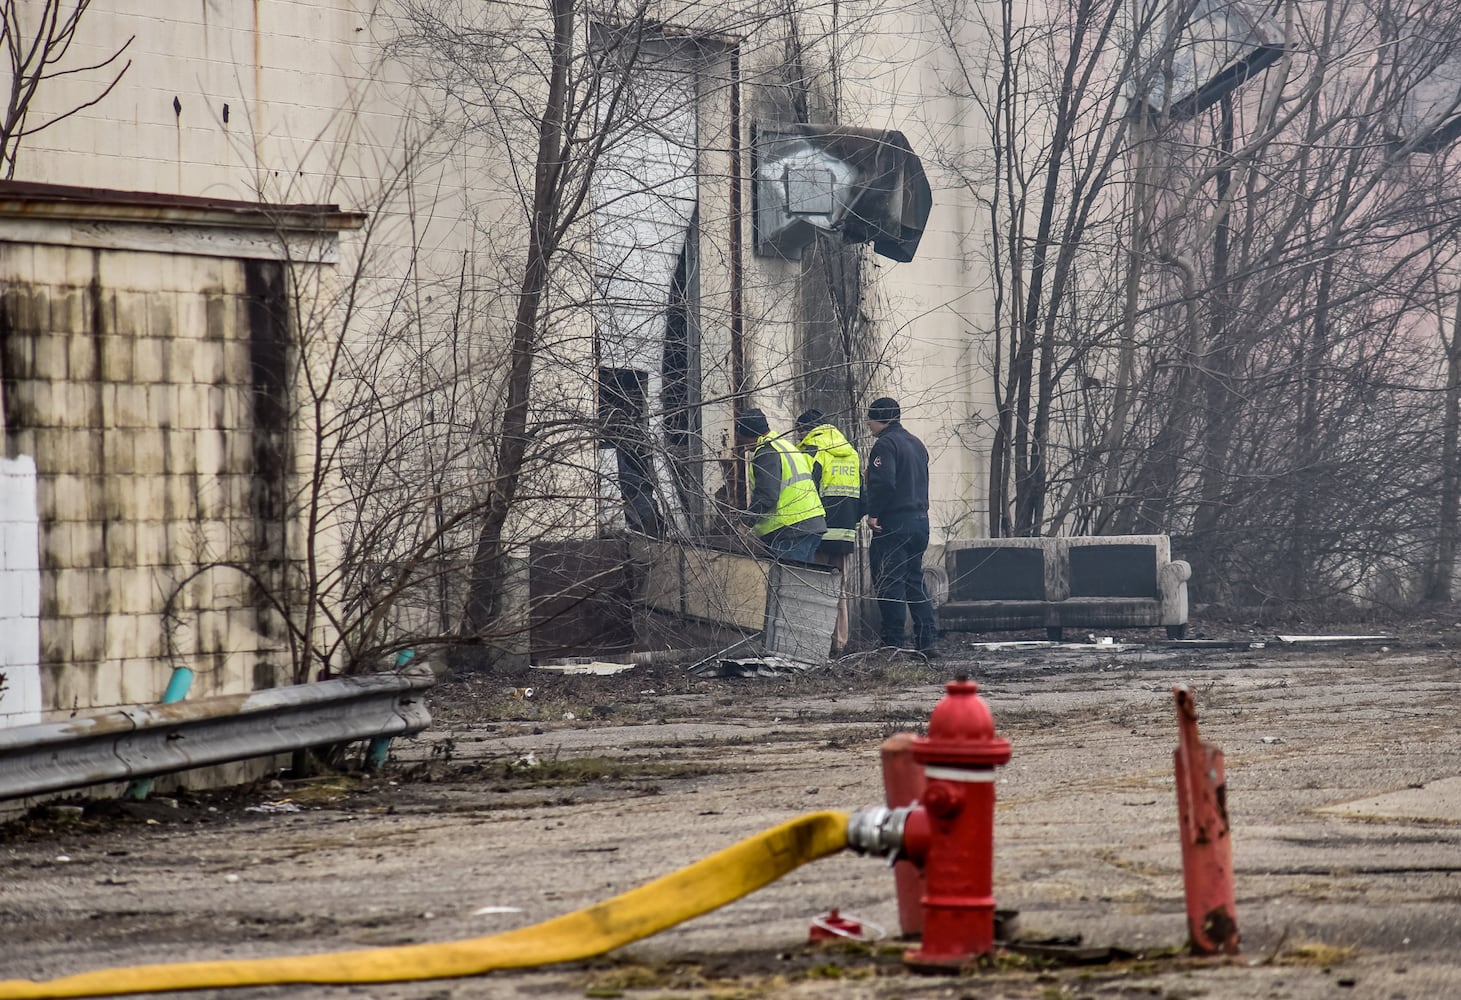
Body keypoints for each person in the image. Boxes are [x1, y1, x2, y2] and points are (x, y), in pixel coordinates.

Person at [864, 396, 938, 654]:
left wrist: (873, 513)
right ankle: (927, 641)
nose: (868, 425)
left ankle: (892, 643)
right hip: (920, 522)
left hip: (894, 523)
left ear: (879, 418)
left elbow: (884, 483)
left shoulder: (886, 444)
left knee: (889, 582)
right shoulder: (916, 443)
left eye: (870, 419)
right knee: (914, 581)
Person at [795, 409, 862, 654]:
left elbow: (805, 491)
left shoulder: (811, 451)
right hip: (844, 534)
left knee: (814, 589)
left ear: (804, 429)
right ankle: (839, 643)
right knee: (839, 591)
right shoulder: (851, 452)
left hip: (818, 533)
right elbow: (862, 496)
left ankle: (816, 644)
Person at [734, 407, 827, 563]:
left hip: (791, 528)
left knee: (785, 581)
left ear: (749, 435)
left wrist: (746, 522)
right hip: (810, 523)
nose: (741, 443)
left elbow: (767, 495)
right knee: (803, 582)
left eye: (741, 438)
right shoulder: (785, 446)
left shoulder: (766, 453)